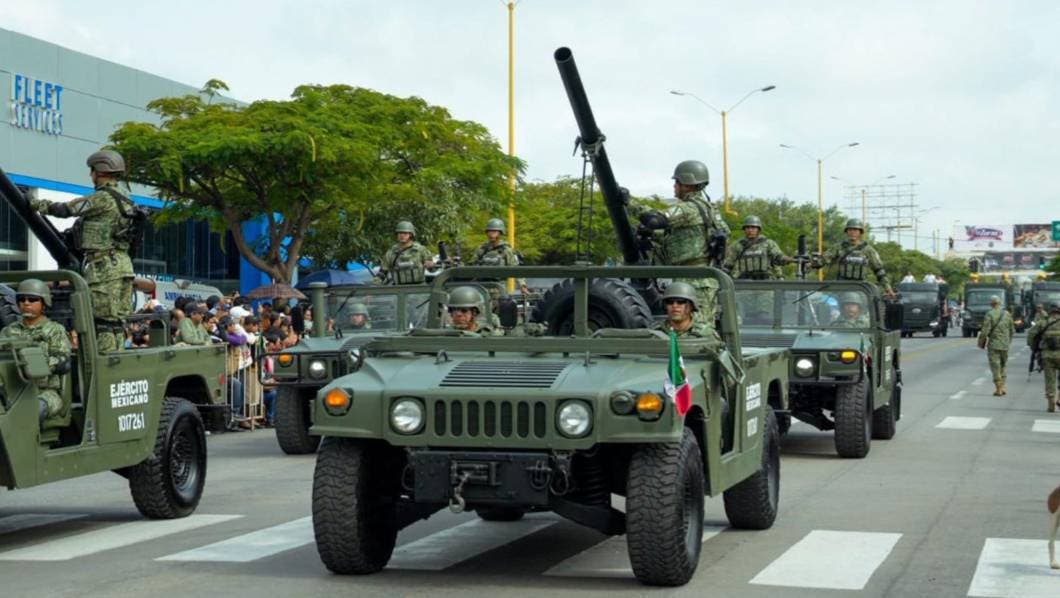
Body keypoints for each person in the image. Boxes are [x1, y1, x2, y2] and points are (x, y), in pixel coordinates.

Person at [30, 150, 136, 352]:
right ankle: (116, 364)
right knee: (115, 322)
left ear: (101, 171)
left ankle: (102, 372)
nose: (91, 175)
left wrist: (36, 204)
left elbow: (65, 210)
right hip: (121, 264)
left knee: (102, 321)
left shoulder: (103, 198)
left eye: (92, 171)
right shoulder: (127, 199)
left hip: (104, 266)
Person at [633, 160, 729, 328]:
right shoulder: (707, 208)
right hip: (698, 277)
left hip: (693, 279)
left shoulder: (689, 208)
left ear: (687, 184)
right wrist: (652, 236)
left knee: (698, 329)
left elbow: (655, 219)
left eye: (676, 182)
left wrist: (629, 203)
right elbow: (686, 241)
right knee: (694, 327)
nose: (674, 186)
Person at [0, 279, 72, 428]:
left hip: (46, 393)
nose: (26, 303)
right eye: (21, 299)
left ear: (44, 302)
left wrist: (37, 364)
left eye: (32, 299)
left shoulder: (54, 330)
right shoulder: (8, 331)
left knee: (31, 411)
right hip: (13, 390)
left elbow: (64, 362)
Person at [815, 219, 894, 296]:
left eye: (855, 230)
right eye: (850, 230)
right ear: (847, 232)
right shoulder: (839, 247)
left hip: (860, 288)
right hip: (842, 287)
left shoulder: (868, 250)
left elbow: (879, 271)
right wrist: (811, 263)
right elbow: (823, 259)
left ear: (860, 232)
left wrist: (888, 288)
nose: (853, 233)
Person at [722, 215, 792, 280]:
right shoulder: (738, 245)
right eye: (747, 227)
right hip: (744, 283)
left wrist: (785, 259)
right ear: (744, 229)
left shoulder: (768, 244)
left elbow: (778, 258)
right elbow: (728, 265)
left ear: (758, 229)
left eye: (753, 227)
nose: (750, 230)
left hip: (765, 283)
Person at [471, 218, 528, 294]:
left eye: (494, 231)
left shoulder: (506, 250)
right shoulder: (482, 249)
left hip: (499, 287)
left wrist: (522, 286)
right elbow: (471, 266)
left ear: (500, 233)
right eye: (489, 231)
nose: (491, 234)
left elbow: (515, 268)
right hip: (482, 287)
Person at [652, 282, 720, 340]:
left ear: (691, 305)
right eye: (670, 302)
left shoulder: (705, 333)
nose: (674, 306)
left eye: (681, 302)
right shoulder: (655, 332)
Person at [979, 295, 1015, 396]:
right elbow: (1012, 330)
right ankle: (1003, 386)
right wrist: (1008, 341)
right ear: (999, 303)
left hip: (994, 344)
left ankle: (998, 388)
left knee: (995, 366)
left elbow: (985, 331)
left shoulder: (989, 314)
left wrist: (981, 342)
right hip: (1005, 345)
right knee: (1003, 365)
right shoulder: (1007, 314)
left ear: (991, 304)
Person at [1027, 301, 1060, 412]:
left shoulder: (1043, 322)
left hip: (1047, 355)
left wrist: (1034, 348)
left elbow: (1031, 335)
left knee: (1050, 379)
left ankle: (1051, 403)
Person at [381, 221, 434, 285]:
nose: (402, 235)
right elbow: (383, 272)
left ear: (411, 234)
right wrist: (374, 286)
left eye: (405, 233)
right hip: (398, 289)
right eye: (400, 233)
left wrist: (431, 265)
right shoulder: (391, 252)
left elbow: (432, 270)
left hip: (419, 289)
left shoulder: (421, 250)